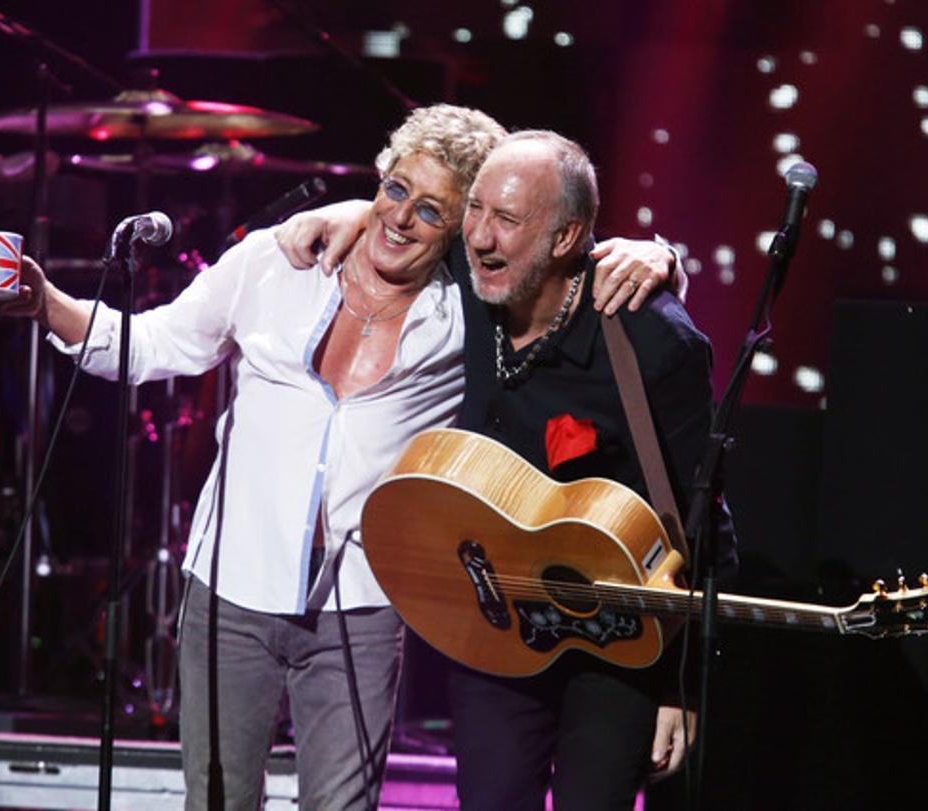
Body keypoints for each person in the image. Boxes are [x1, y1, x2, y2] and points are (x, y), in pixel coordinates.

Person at [2, 103, 676, 810]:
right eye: (394, 191)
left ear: (460, 230)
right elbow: (156, 344)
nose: (401, 218)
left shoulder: (463, 316)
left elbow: (552, 256)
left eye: (431, 211)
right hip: (230, 588)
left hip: (362, 606)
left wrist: (663, 257)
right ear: (378, 179)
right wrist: (46, 300)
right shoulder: (275, 265)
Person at [276, 130, 735, 810]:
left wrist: (683, 687)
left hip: (616, 644)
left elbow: (705, 526)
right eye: (477, 212)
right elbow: (409, 210)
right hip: (497, 621)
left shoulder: (653, 341)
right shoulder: (467, 277)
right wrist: (357, 212)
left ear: (566, 237)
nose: (481, 238)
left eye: (508, 221)